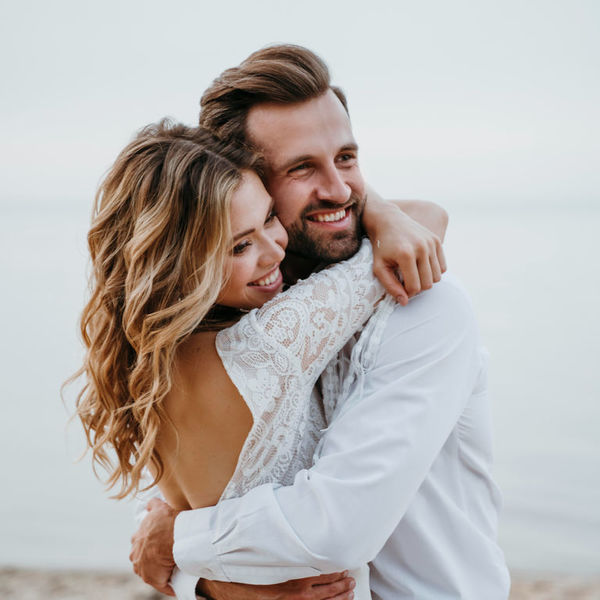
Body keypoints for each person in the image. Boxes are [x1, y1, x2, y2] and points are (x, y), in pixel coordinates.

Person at [130, 45, 510, 599]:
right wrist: (208, 582)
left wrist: (179, 543)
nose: (337, 190)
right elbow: (207, 486)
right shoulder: (241, 314)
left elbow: (337, 525)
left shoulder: (427, 307)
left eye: (347, 157)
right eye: (302, 167)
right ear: (246, 182)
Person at [73, 120, 442, 600]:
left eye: (269, 217)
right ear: (183, 263)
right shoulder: (269, 343)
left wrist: (208, 582)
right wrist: (384, 217)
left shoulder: (143, 360)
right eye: (239, 246)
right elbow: (428, 222)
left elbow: (182, 515)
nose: (275, 252)